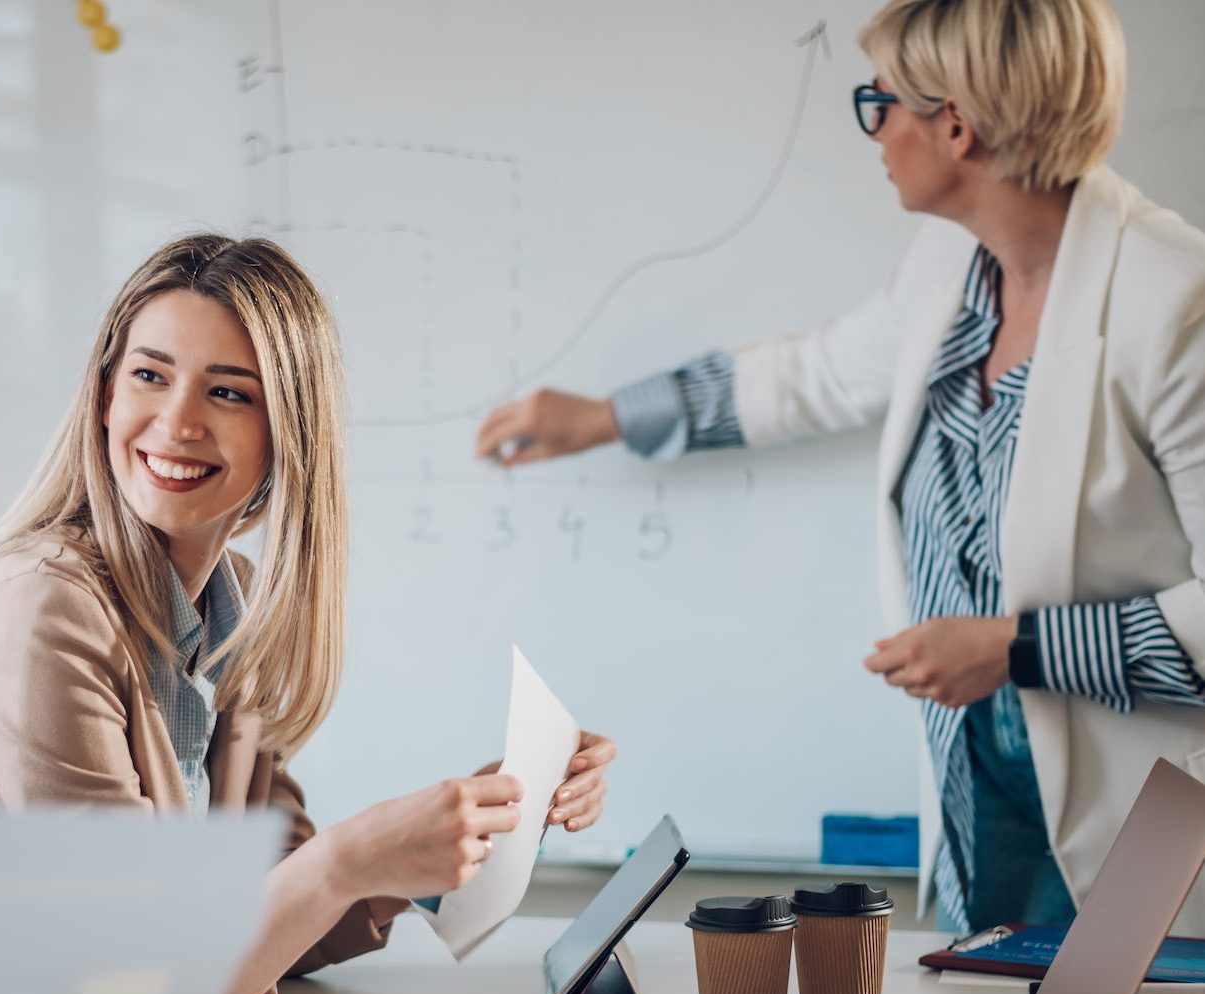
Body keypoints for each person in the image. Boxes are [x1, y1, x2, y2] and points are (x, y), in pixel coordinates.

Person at [473, 0, 1205, 934]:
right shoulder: (953, 266)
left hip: (1133, 813)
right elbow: (815, 374)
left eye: (881, 102)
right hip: (976, 788)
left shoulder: (1175, 303)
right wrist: (609, 416)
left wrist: (1016, 648)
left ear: (956, 124)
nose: (875, 129)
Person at [0, 235, 616, 994]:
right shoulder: (36, 607)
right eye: (149, 375)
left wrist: (470, 824)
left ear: (286, 435)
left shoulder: (228, 602)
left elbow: (273, 906)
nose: (176, 421)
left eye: (227, 392)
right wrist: (352, 856)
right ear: (103, 396)